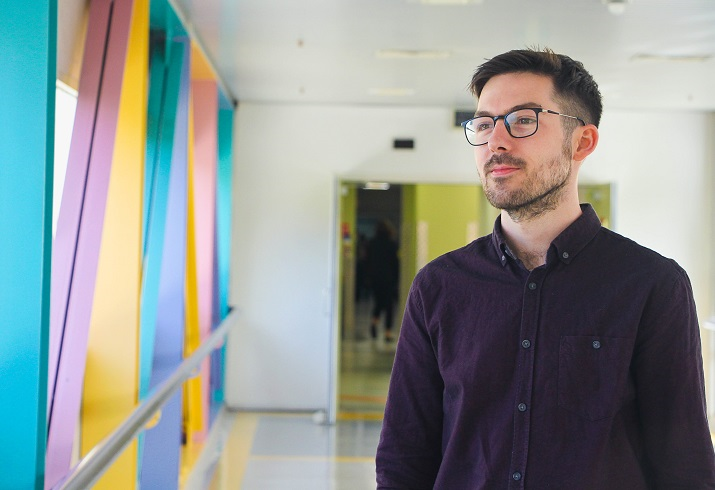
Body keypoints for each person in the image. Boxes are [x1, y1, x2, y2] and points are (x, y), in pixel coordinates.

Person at [376, 48, 715, 488]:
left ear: (583, 142)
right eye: (483, 124)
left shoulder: (651, 285)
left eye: (523, 120)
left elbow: (683, 460)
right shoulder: (440, 286)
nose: (495, 141)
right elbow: (406, 452)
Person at [366, 220, 399, 342]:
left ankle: (374, 322)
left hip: (375, 278)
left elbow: (368, 262)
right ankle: (387, 333)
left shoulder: (372, 243)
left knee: (378, 302)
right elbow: (395, 263)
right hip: (388, 278)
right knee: (389, 305)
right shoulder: (392, 244)